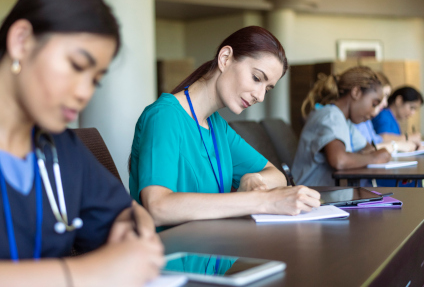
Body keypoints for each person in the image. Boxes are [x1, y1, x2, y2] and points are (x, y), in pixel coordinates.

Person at [0, 0, 163, 287]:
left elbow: (126, 212)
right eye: (76, 66)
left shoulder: (61, 148)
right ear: (21, 41)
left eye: (95, 80)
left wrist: (133, 233)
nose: (85, 92)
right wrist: (83, 274)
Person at [129, 26, 321, 229]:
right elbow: (158, 207)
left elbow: (278, 177)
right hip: (175, 255)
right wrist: (263, 201)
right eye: (256, 78)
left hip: (216, 250)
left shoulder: (217, 127)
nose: (260, 96)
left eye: (267, 88)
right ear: (225, 58)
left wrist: (251, 178)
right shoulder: (164, 116)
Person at [292, 66, 392, 186]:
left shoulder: (345, 121)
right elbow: (339, 160)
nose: (375, 112)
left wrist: (370, 155)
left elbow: (368, 148)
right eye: (374, 104)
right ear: (356, 92)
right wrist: (374, 158)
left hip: (326, 195)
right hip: (313, 197)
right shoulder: (331, 115)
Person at [354, 72, 416, 154]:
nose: (385, 103)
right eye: (384, 95)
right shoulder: (381, 116)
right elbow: (364, 150)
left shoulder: (366, 120)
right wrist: (397, 145)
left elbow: (377, 141)